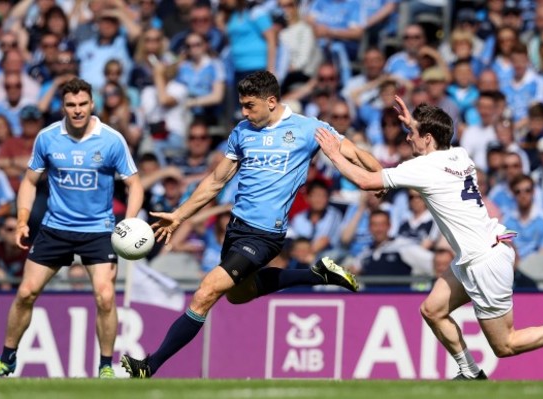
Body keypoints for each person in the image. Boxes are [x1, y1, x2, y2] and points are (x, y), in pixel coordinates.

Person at [314, 98, 543, 380]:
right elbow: (431, 145)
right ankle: (470, 372)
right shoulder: (459, 154)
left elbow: (367, 181)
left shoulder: (423, 168)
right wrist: (413, 124)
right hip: (482, 250)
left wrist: (333, 155)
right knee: (432, 310)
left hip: (483, 261)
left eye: (412, 134)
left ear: (429, 138)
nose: (408, 138)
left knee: (505, 345)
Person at [120, 71, 382, 378]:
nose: (244, 112)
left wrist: (381, 176)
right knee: (238, 295)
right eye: (242, 105)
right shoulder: (242, 131)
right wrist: (179, 215)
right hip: (237, 229)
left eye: (249, 105)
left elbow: (354, 152)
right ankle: (317, 273)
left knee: (206, 292)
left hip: (265, 234)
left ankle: (149, 365)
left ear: (271, 102)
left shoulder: (309, 129)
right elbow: (216, 181)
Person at [0, 78, 144, 379]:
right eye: (71, 105)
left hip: (98, 230)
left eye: (82, 104)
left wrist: (129, 223)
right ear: (63, 107)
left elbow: (134, 184)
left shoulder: (111, 140)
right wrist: (24, 219)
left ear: (92, 104)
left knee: (105, 296)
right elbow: (29, 182)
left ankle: (106, 367)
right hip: (56, 228)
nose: (77, 110)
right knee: (26, 292)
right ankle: (6, 360)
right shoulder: (47, 138)